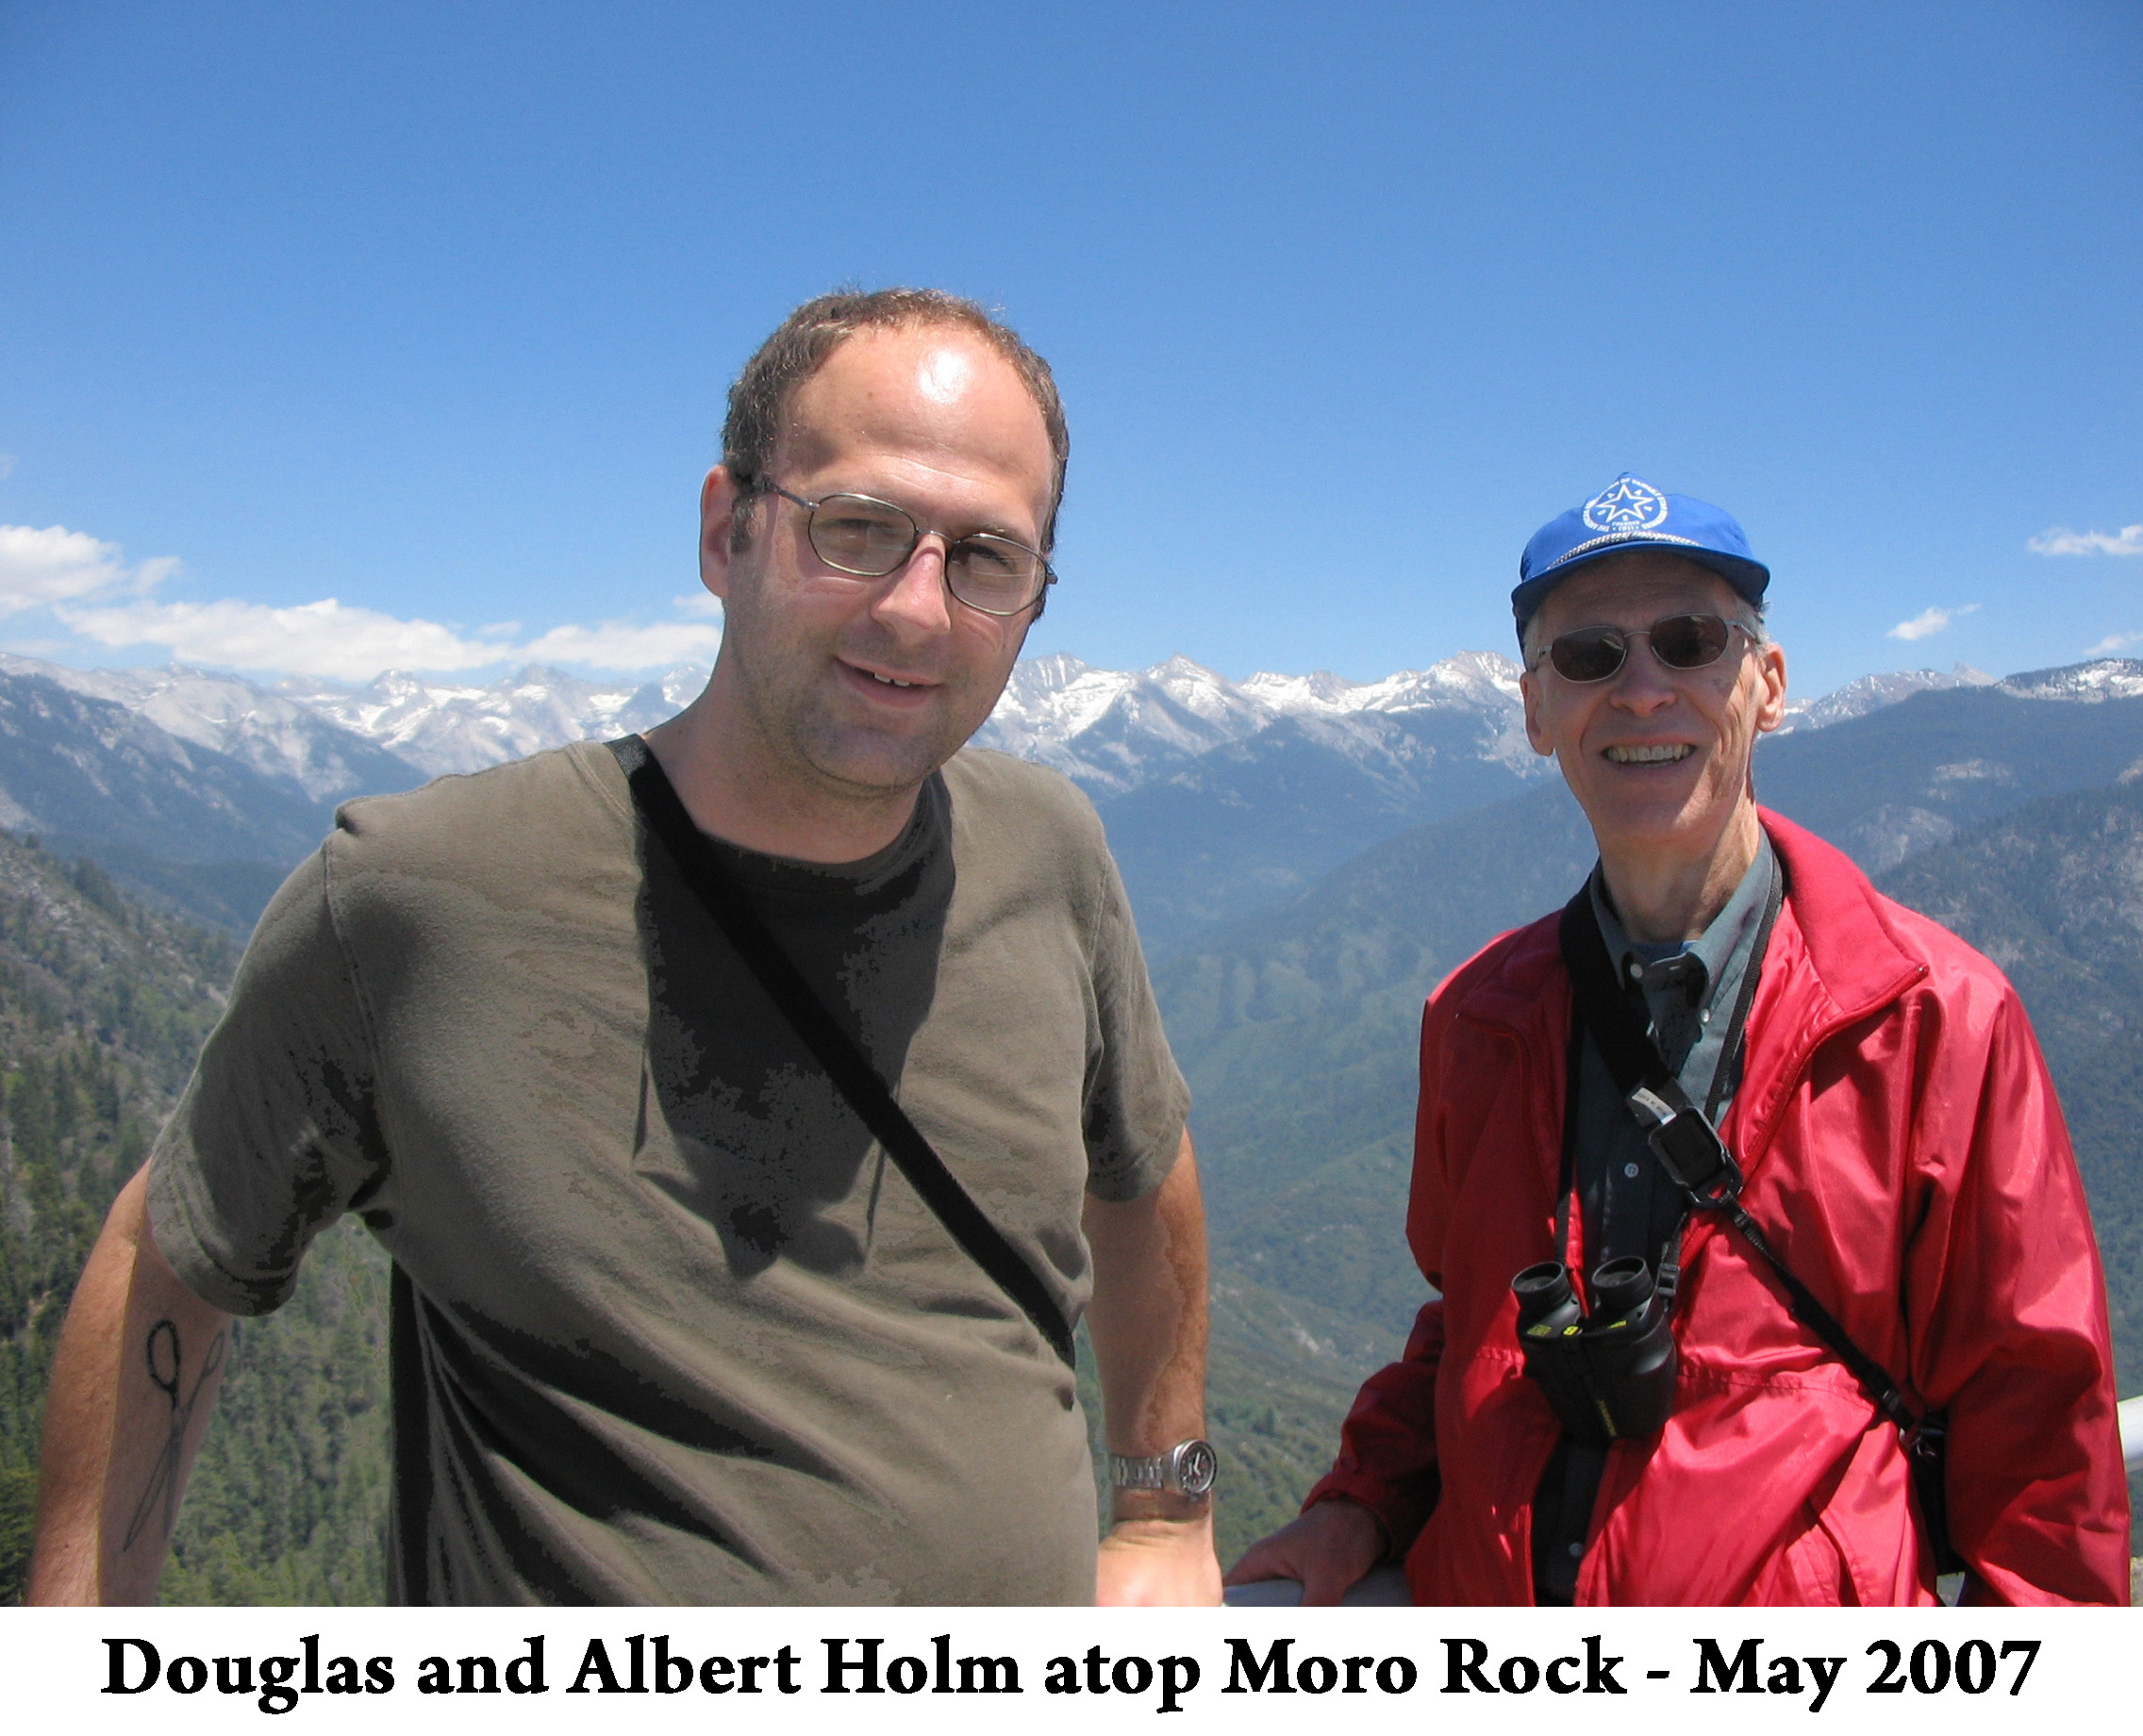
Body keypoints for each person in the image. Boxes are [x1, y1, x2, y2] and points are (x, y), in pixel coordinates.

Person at [30, 289, 1222, 1608]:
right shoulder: (420, 899)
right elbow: (173, 1242)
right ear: (727, 531)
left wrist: (1165, 1509)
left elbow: (1142, 1164)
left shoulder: (1049, 849)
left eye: (987, 557)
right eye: (859, 530)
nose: (918, 612)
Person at [1229, 475, 2130, 1606]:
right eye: (1590, 656)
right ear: (1532, 709)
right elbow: (1466, 1325)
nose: (1642, 689)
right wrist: (1357, 1503)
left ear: (1767, 684)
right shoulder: (1474, 1018)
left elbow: (2039, 1426)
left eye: (1688, 640)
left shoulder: (1930, 1016)